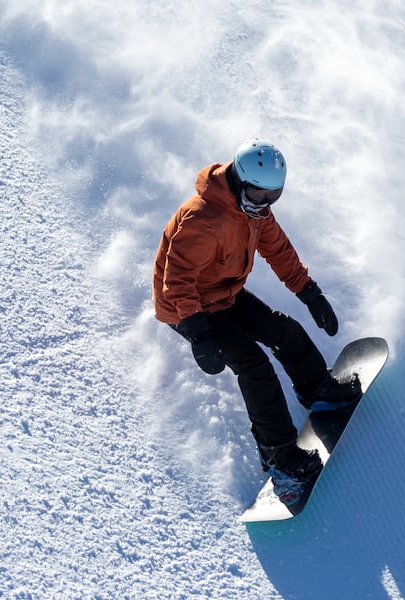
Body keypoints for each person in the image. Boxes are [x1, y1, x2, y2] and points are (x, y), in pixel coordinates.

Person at [152, 139, 361, 504]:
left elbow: (278, 249)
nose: (265, 205)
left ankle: (317, 390)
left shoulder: (253, 211)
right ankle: (279, 457)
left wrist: (309, 292)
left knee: (283, 329)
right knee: (254, 366)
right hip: (189, 306)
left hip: (222, 292)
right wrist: (199, 335)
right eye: (260, 195)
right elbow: (178, 278)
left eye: (273, 197)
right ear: (238, 180)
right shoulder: (203, 218)